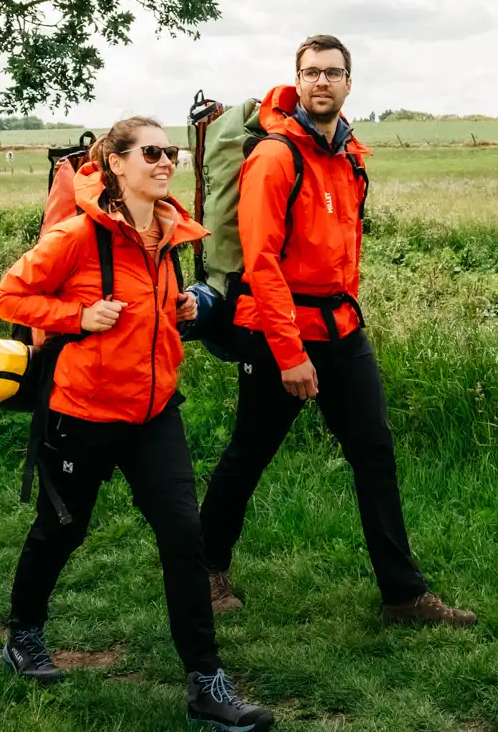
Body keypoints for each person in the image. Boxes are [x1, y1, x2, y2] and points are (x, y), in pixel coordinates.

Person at [0, 116, 275, 732]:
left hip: (153, 413)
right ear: (115, 163)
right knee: (62, 530)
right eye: (151, 152)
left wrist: (179, 308)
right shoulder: (76, 236)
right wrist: (77, 315)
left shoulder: (167, 236)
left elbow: (151, 313)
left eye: (169, 150)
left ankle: (207, 685)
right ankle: (24, 636)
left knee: (184, 538)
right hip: (82, 410)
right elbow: (9, 297)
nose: (166, 160)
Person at [199, 35, 476, 627]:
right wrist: (290, 354)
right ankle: (205, 567)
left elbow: (343, 250)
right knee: (250, 454)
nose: (321, 81)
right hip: (275, 331)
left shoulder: (350, 156)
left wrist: (342, 324)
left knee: (374, 453)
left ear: (349, 82)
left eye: (332, 72)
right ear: (298, 82)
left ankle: (403, 596)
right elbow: (261, 261)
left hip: (341, 328)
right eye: (311, 73)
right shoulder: (275, 157)